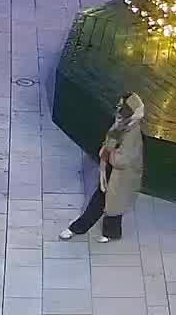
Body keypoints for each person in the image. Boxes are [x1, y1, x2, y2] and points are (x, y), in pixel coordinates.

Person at [62, 92, 145, 243]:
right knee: (103, 201)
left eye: (121, 106)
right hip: (111, 172)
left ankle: (97, 231)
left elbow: (124, 160)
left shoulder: (132, 133)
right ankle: (82, 228)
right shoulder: (121, 123)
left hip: (121, 176)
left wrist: (109, 152)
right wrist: (106, 150)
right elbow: (109, 141)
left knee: (111, 204)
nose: (118, 108)